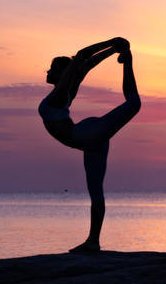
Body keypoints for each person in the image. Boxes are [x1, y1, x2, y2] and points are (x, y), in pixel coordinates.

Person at [38, 36, 141, 252]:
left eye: (51, 68)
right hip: (91, 141)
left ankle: (128, 61)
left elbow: (82, 56)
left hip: (86, 135)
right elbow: (88, 64)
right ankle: (93, 241)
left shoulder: (60, 93)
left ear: (62, 73)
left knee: (134, 103)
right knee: (96, 193)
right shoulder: (68, 88)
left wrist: (113, 42)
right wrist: (114, 50)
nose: (47, 71)